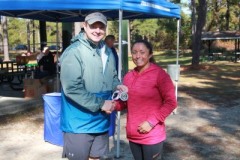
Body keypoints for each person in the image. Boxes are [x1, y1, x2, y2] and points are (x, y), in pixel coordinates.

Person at [59, 12, 127, 160]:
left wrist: (118, 86)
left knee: (97, 158)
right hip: (78, 123)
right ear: (85, 26)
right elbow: (72, 88)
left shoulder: (107, 50)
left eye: (101, 27)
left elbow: (112, 77)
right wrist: (102, 103)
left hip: (101, 120)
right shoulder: (73, 52)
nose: (97, 30)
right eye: (93, 26)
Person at [115, 40, 177, 160]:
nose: (138, 56)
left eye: (142, 52)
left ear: (150, 55)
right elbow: (125, 102)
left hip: (152, 135)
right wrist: (113, 105)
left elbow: (171, 102)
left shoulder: (160, 75)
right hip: (133, 135)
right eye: (134, 52)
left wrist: (151, 122)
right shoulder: (128, 76)